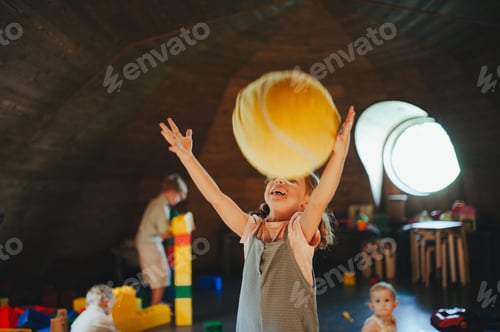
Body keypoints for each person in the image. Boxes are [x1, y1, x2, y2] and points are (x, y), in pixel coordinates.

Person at [159, 105, 355, 331]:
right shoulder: (251, 229)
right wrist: (188, 157)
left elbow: (322, 199)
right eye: (275, 178)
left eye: (291, 180)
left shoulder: (297, 233)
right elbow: (217, 198)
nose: (279, 181)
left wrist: (339, 154)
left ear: (306, 201)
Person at [135, 173, 188, 306]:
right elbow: (164, 233)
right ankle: (155, 305)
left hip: (148, 242)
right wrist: (182, 230)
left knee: (158, 274)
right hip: (149, 243)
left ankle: (156, 303)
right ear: (172, 192)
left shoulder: (156, 202)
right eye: (178, 197)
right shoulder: (162, 208)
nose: (177, 202)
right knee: (160, 275)